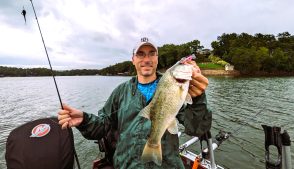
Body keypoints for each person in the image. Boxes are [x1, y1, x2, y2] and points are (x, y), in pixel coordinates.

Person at [58, 37, 212, 169]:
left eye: (152, 54)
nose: (146, 59)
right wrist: (84, 120)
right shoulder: (120, 92)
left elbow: (197, 128)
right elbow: (102, 126)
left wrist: (197, 99)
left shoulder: (175, 86)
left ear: (157, 58)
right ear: (133, 60)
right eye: (140, 54)